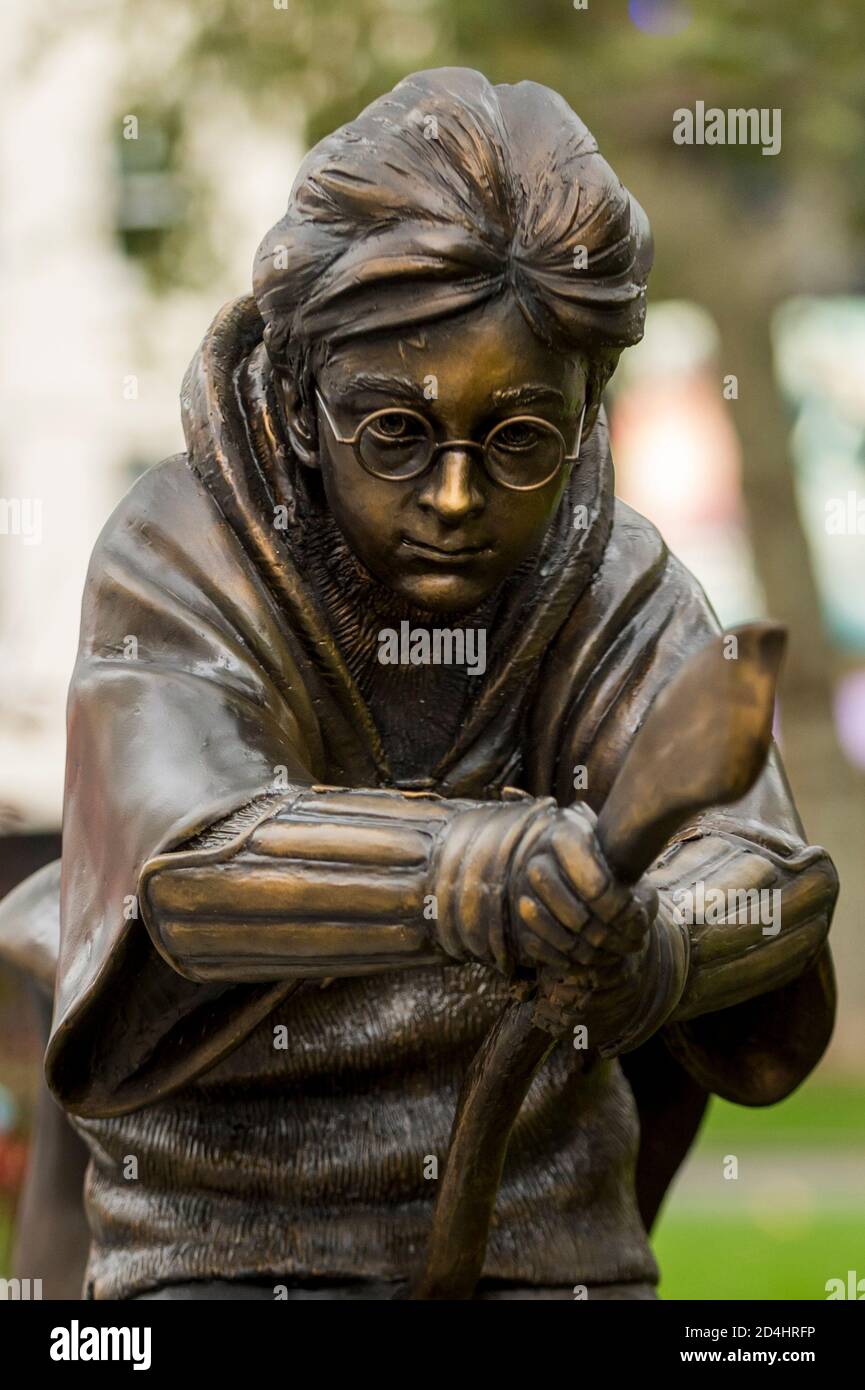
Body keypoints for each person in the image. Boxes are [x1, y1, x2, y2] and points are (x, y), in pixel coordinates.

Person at [1, 67, 836, 1301]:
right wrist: (474, 870)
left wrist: (652, 947)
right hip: (225, 1235)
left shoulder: (608, 572)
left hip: (540, 1236)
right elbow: (188, 867)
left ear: (584, 412)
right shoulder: (181, 548)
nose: (454, 499)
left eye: (517, 441)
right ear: (300, 399)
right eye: (392, 433)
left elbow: (764, 874)